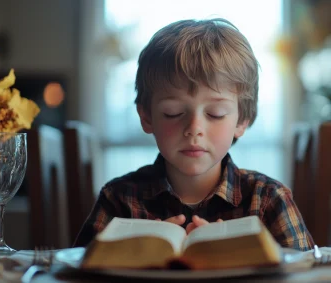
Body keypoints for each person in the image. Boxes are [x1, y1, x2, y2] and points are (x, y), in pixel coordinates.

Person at [74, 18, 314, 251]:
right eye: (173, 112)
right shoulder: (118, 200)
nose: (194, 128)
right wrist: (133, 256)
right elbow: (76, 273)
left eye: (216, 113)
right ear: (147, 117)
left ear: (241, 120)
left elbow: (308, 275)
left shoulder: (268, 201)